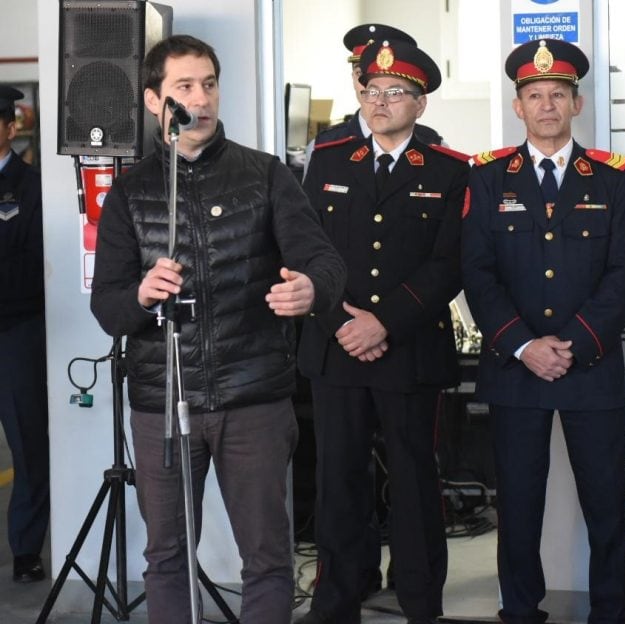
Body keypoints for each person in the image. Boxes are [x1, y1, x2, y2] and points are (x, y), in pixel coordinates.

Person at [90, 35, 346, 624]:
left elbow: (326, 263)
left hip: (252, 397)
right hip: (163, 403)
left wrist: (312, 290)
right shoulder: (131, 192)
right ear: (156, 100)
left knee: (267, 558)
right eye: (184, 87)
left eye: (208, 84)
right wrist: (139, 295)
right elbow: (108, 307)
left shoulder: (266, 174)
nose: (200, 99)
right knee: (167, 557)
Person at [461, 39, 625, 624]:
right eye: (535, 95)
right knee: (517, 504)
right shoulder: (488, 177)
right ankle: (519, 611)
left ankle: (612, 613)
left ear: (577, 104)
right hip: (516, 369)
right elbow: (477, 273)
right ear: (519, 107)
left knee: (605, 504)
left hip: (589, 366)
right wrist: (523, 344)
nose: (546, 105)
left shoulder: (611, 179)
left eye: (557, 95)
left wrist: (575, 345)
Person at [297, 40, 470, 624]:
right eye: (372, 90)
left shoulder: (450, 170)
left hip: (410, 348)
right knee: (339, 481)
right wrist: (342, 321)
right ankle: (337, 603)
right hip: (336, 346)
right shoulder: (327, 158)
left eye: (395, 93)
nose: (380, 101)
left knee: (417, 482)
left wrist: (383, 322)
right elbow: (305, 249)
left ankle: (422, 604)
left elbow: (449, 264)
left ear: (419, 104)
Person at [0, 85, 50, 584]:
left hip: (13, 332)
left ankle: (25, 548)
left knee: (28, 443)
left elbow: (34, 268)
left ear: (10, 127)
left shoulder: (31, 187)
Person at [303, 23, 443, 178]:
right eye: (361, 74)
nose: (370, 88)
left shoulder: (433, 144)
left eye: (393, 89)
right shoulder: (322, 148)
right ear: (352, 78)